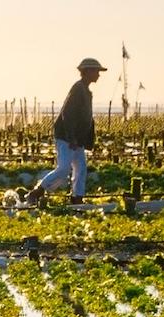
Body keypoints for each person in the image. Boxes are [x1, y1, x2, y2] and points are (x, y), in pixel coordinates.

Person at [28, 58, 105, 206]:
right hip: (67, 137)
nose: (98, 75)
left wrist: (82, 138)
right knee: (64, 169)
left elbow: (85, 117)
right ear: (87, 72)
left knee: (81, 168)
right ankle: (38, 192)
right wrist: (71, 137)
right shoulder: (78, 89)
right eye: (96, 71)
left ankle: (77, 198)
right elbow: (68, 114)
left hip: (77, 138)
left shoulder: (85, 90)